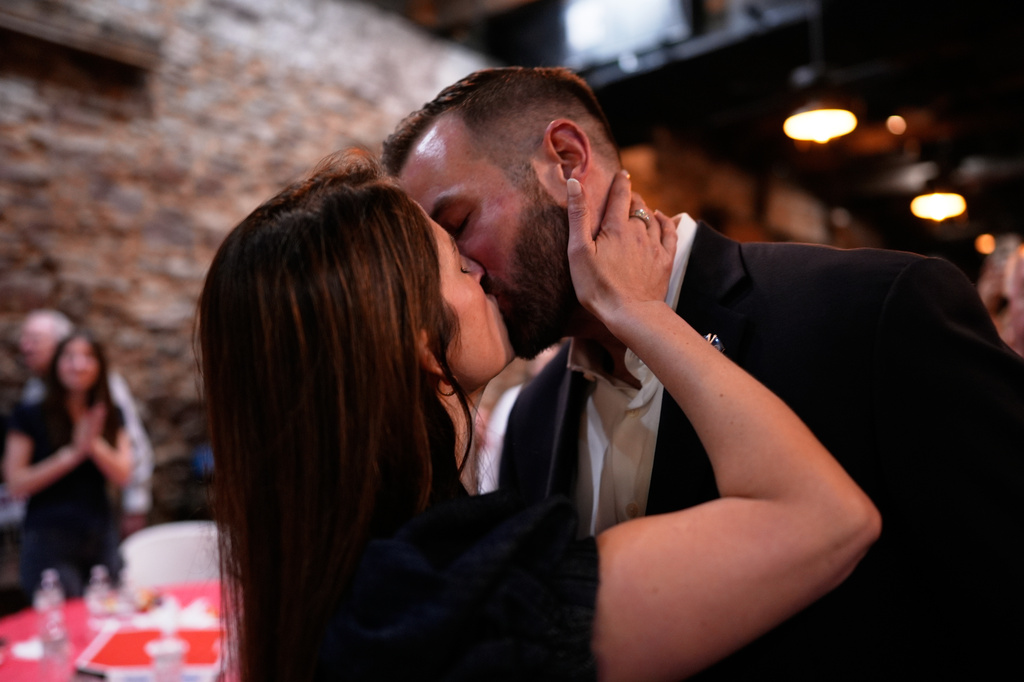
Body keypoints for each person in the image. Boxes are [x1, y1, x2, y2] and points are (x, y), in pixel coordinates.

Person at [382, 66, 1024, 678]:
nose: (456, 273)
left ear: (568, 161)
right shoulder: (534, 419)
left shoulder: (874, 311)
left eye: (457, 225)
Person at [197, 150, 879, 682]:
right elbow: (824, 516)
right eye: (458, 262)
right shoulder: (443, 597)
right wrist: (639, 310)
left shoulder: (334, 574)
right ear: (418, 345)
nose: (483, 271)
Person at [3, 329, 132, 597]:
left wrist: (93, 444)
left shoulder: (110, 413)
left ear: (100, 365)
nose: (78, 365)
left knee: (109, 613)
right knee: (64, 620)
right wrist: (72, 453)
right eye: (69, 357)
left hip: (100, 531)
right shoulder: (29, 415)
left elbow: (123, 474)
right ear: (56, 365)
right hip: (49, 535)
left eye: (87, 357)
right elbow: (15, 482)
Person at [17, 310, 154, 533]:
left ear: (60, 345)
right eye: (24, 338)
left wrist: (136, 504)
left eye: (35, 339)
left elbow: (134, 447)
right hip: (49, 520)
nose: (25, 346)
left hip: (95, 517)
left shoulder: (100, 389)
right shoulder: (34, 393)